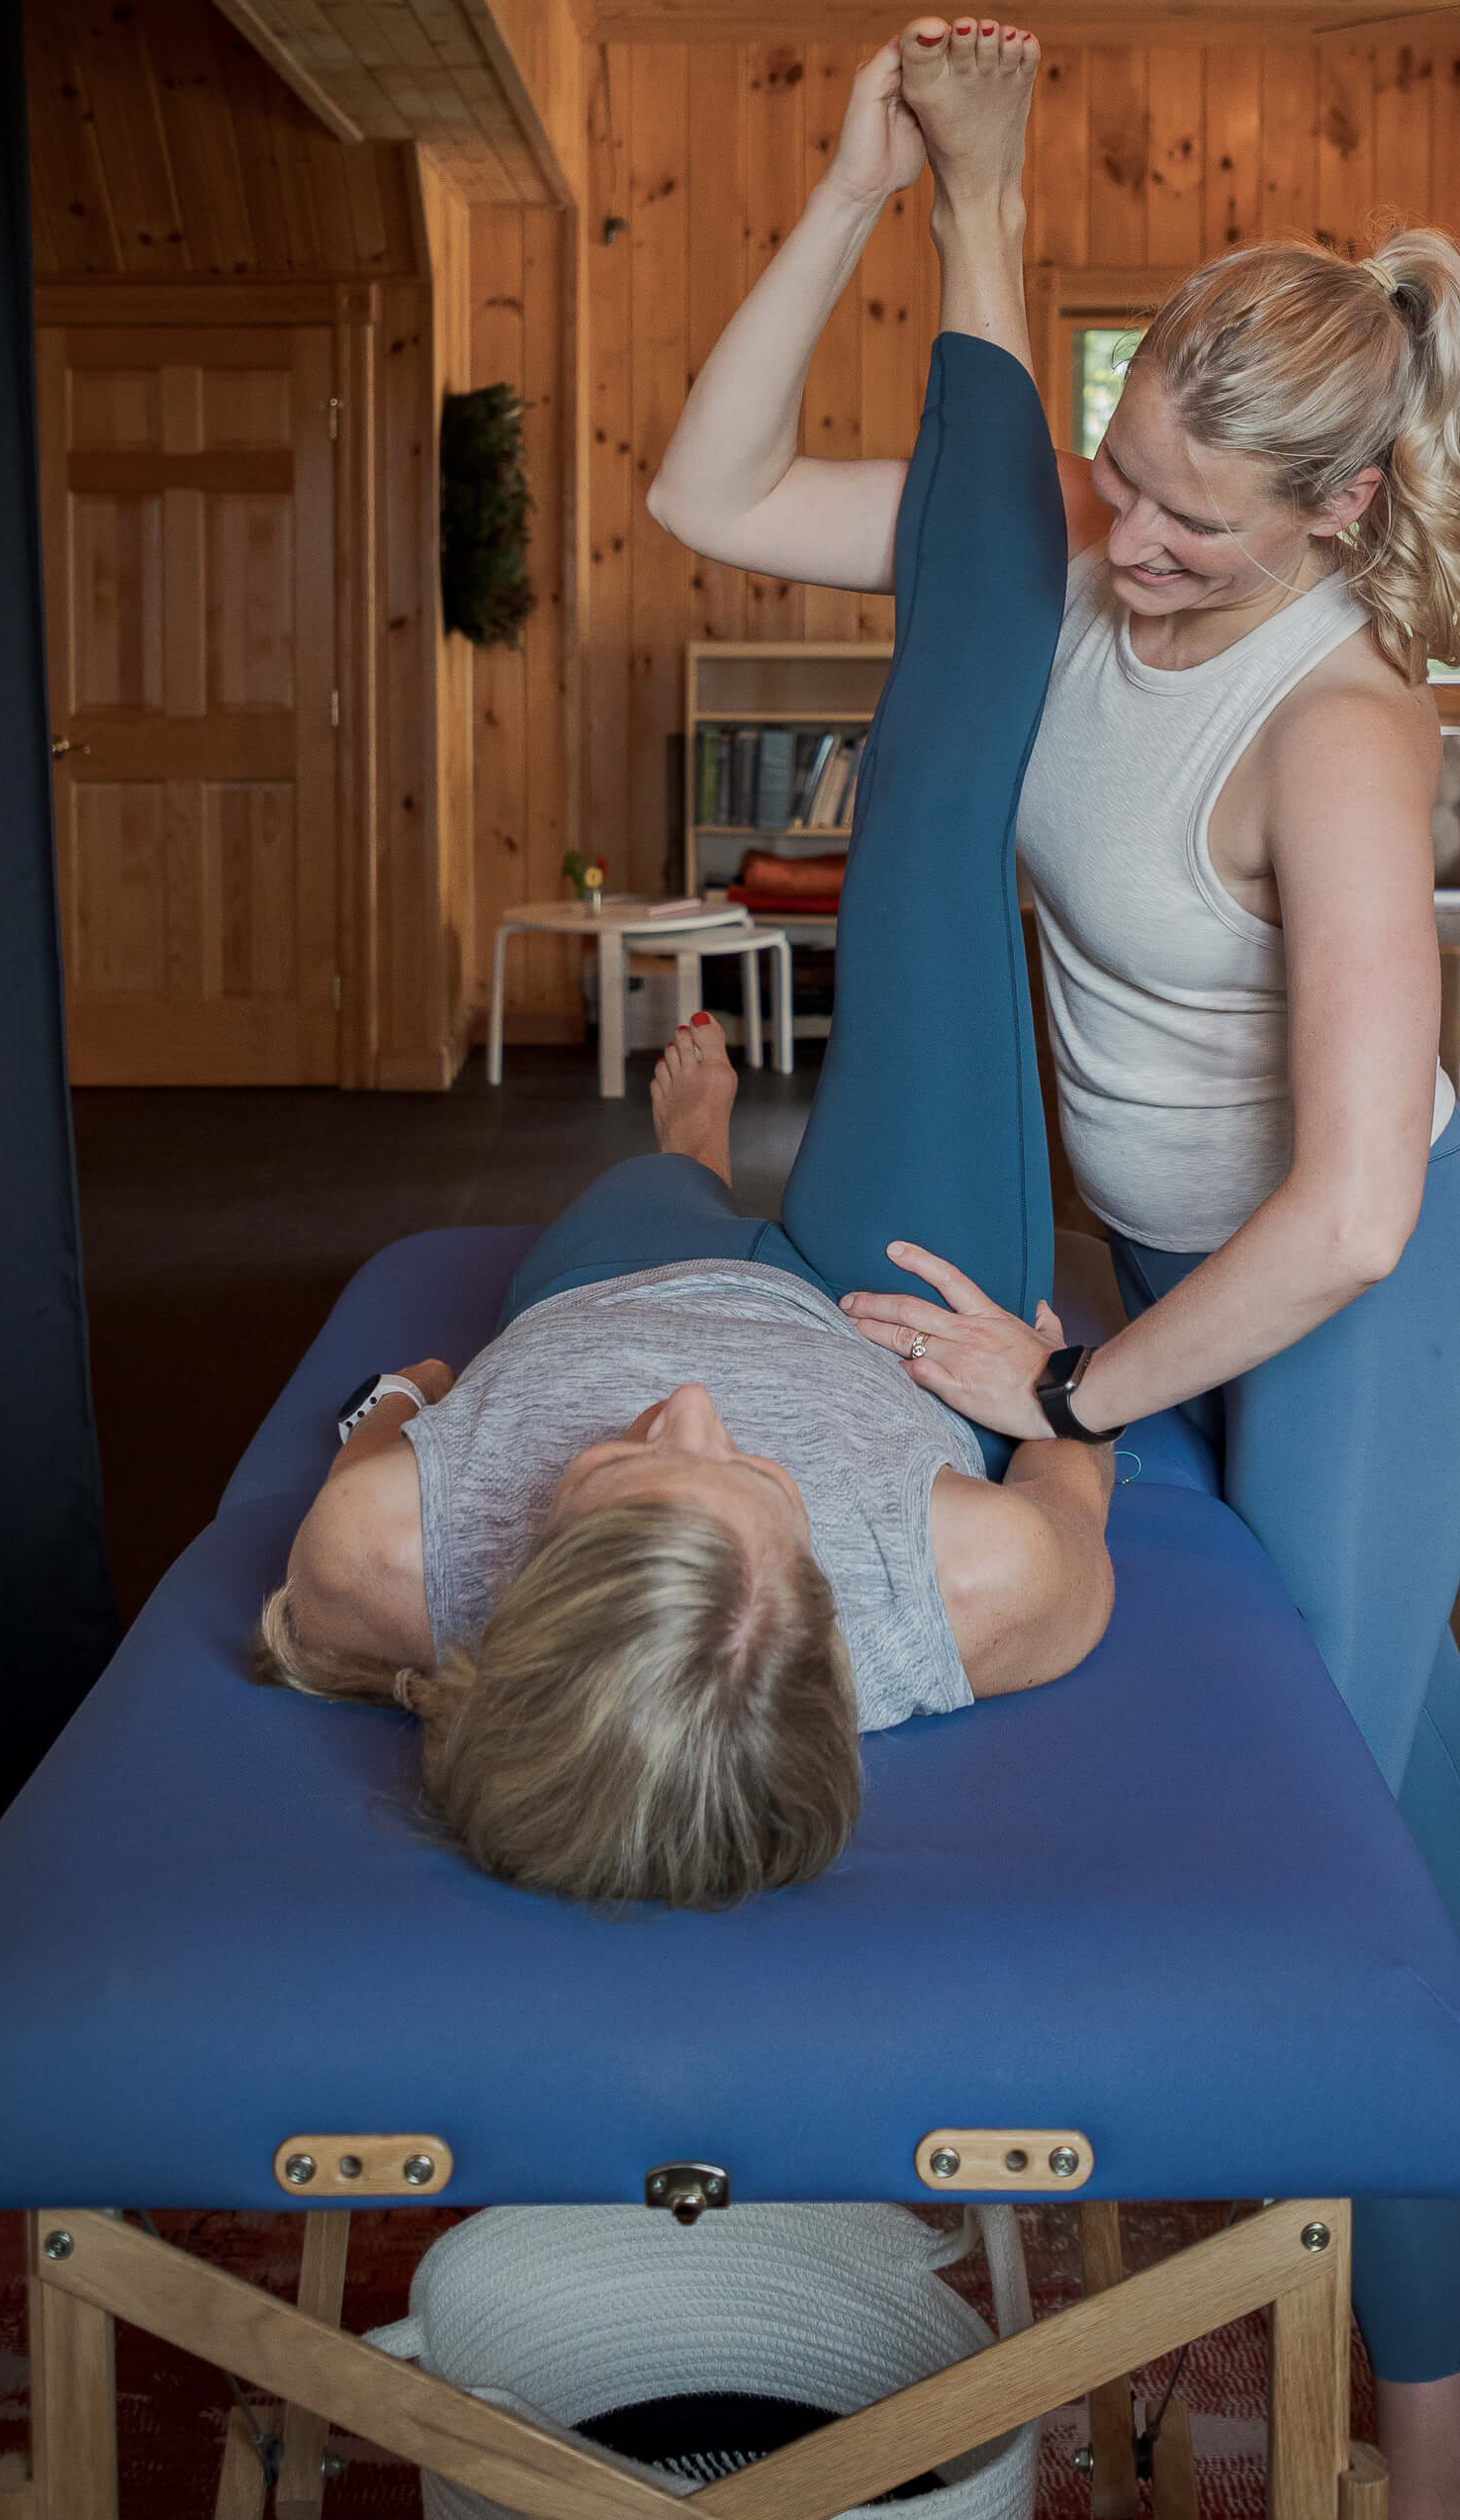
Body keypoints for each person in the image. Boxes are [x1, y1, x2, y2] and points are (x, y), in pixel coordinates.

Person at [649, 16, 1460, 2520]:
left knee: (1331, 1807)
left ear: (1344, 501)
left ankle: (1431, 2420)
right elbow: (705, 484)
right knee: (1428, 1733)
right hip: (1162, 1247)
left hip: (1343, 1288)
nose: (1132, 549)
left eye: (1195, 526)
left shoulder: (1345, 730)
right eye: (1125, 481)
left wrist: (1079, 1400)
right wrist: (858, 183)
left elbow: (1358, 1207)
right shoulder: (1069, 526)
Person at [255, 154, 1112, 1912]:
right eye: (750, 1489)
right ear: (824, 1618)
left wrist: (422, 1392)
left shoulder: (375, 1565)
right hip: (901, 1317)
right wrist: (1051, 1402)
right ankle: (983, 220)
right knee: (928, 836)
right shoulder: (975, 1593)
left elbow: (387, 1420)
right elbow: (1076, 1473)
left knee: (665, 1197)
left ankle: (693, 1154)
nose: (698, 1407)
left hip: (611, 1273)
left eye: (624, 1469)